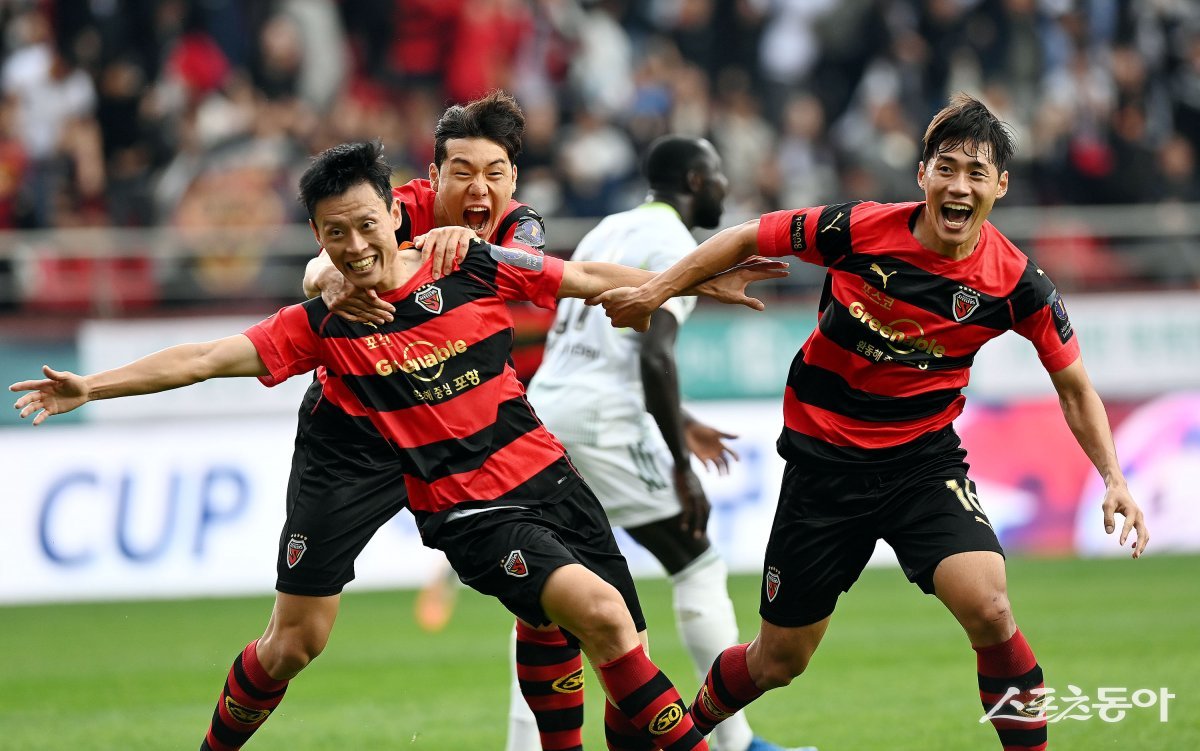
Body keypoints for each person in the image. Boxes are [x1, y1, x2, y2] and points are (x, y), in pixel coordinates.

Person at [11, 139, 786, 750]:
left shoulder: (472, 259)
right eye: (335, 234)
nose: (355, 245)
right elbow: (204, 357)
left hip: (547, 477)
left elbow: (581, 275)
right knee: (300, 641)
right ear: (318, 238)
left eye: (365, 225)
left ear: (395, 213)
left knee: (613, 638)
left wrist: (692, 280)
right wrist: (92, 386)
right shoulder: (325, 321)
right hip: (431, 489)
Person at [591, 94, 1150, 751]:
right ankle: (684, 733)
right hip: (823, 466)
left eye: (976, 173)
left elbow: (1075, 387)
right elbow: (747, 234)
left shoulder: (1018, 283)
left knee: (991, 607)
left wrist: (1113, 476)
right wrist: (656, 290)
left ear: (1000, 186)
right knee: (779, 660)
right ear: (922, 175)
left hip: (921, 464)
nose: (959, 186)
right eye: (946, 168)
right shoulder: (857, 229)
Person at [508, 134, 813, 751]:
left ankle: (523, 744)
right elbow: (653, 356)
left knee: (544, 600)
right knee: (696, 561)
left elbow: (604, 348)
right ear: (696, 181)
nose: (725, 185)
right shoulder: (676, 244)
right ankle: (734, 742)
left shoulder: (607, 229)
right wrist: (681, 465)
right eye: (718, 174)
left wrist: (683, 419)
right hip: (604, 422)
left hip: (546, 411)